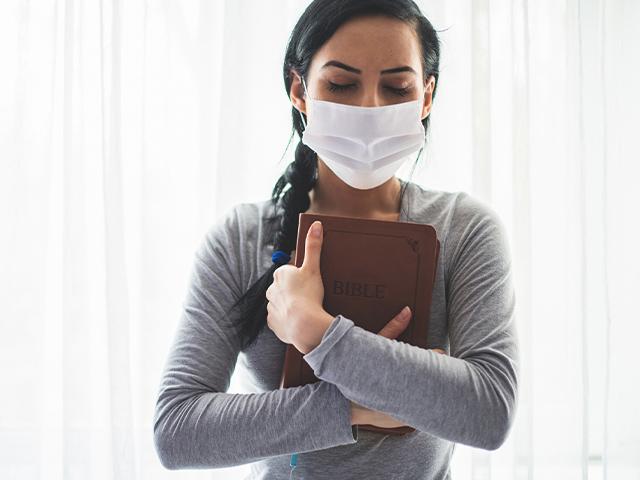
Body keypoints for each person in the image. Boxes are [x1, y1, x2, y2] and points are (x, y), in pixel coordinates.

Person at [153, 0, 520, 479]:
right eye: (342, 84)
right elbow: (177, 432)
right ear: (299, 89)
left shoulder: (464, 229)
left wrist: (315, 332)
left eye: (397, 87)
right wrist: (350, 406)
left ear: (426, 98)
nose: (369, 107)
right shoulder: (240, 239)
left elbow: (488, 413)